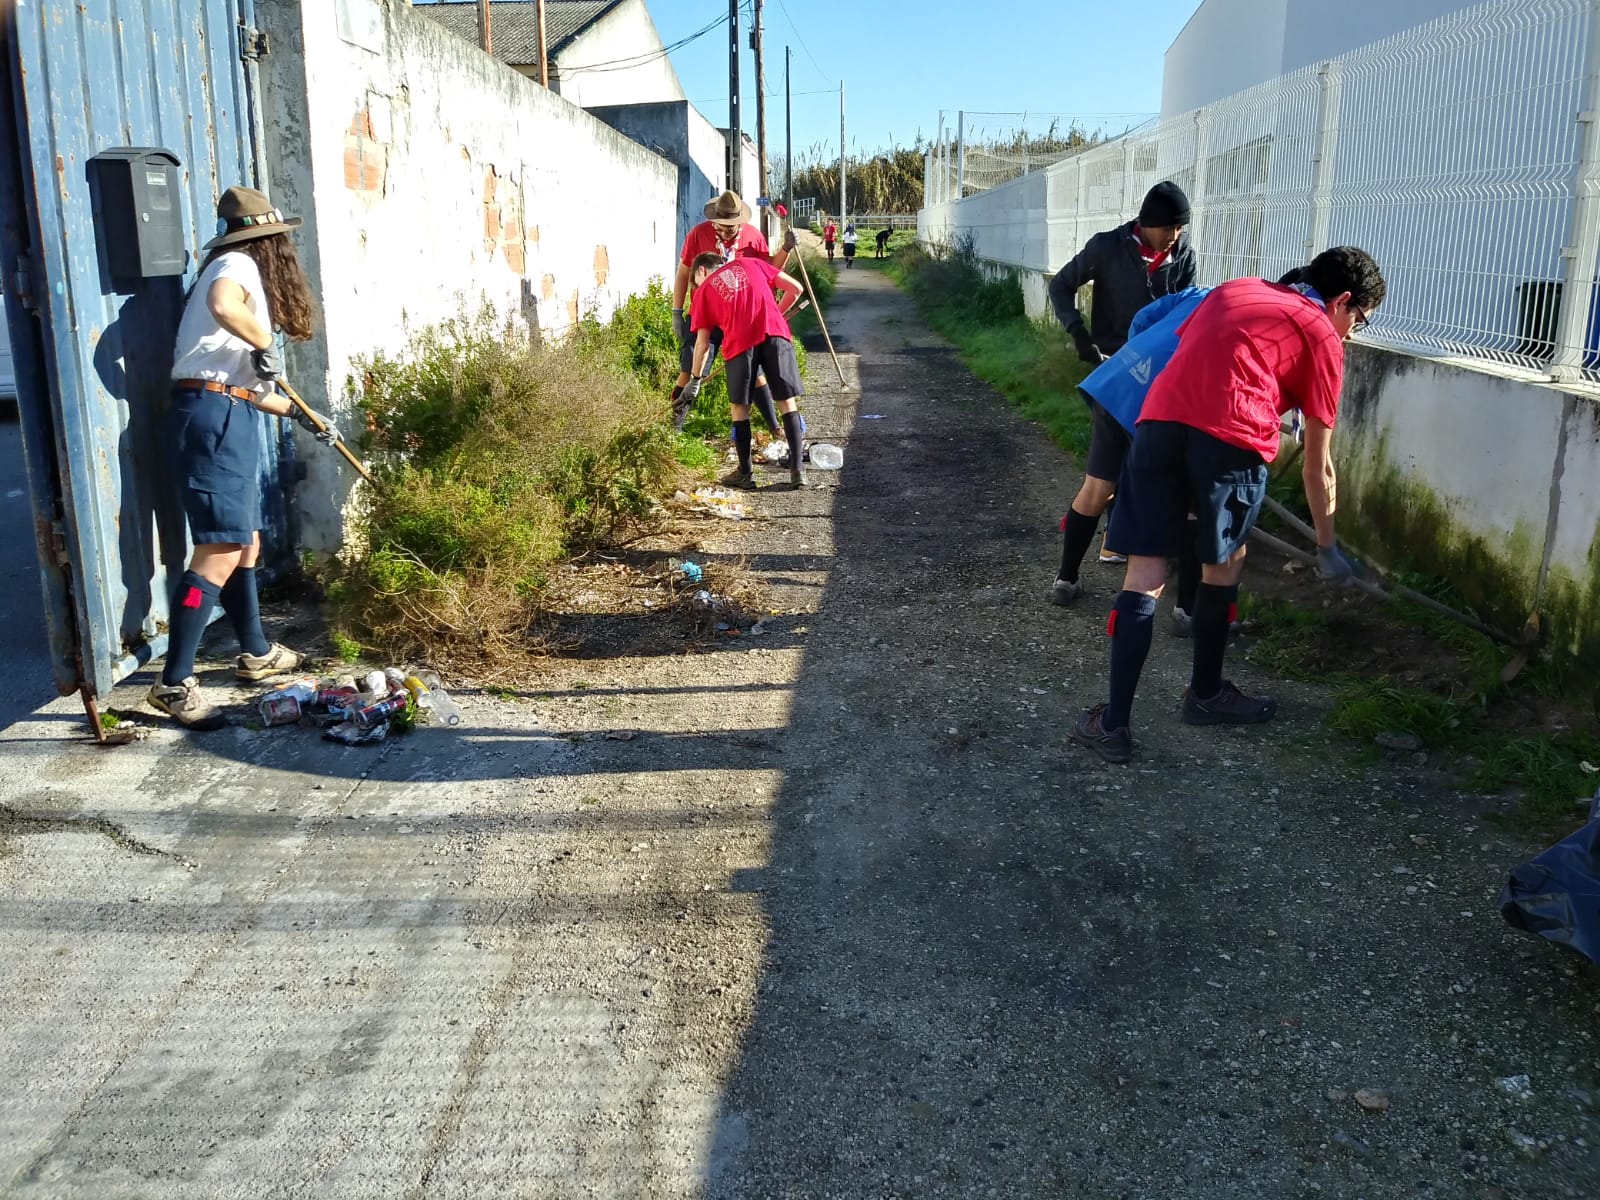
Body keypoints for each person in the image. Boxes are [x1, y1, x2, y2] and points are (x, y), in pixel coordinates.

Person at [1069, 246, 1387, 764]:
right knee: (1224, 563)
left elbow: (1187, 350)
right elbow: (1318, 465)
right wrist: (1327, 546)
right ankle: (1206, 694)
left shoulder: (1236, 289)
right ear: (1342, 301)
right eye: (1360, 319)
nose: (1353, 330)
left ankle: (1113, 724)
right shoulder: (1323, 335)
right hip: (1233, 440)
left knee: (1145, 572)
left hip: (1158, 425)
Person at [147, 186, 339, 730]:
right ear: (270, 238)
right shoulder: (238, 264)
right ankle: (173, 683)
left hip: (226, 410)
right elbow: (224, 308)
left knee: (244, 540)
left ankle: (254, 652)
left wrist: (300, 413)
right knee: (222, 545)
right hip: (209, 417)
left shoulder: (232, 264)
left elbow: (244, 387)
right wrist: (261, 338)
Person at [1048, 181, 1196, 579]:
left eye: (1181, 228)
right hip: (1113, 367)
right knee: (1106, 470)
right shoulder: (1107, 247)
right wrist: (1078, 332)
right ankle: (1077, 566)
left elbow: (1181, 315)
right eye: (1170, 228)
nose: (1175, 236)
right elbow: (1059, 285)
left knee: (1141, 461)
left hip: (1159, 377)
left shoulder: (1183, 256)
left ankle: (1118, 538)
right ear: (1148, 223)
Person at [1056, 285, 1213, 628]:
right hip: (1166, 400)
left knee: (1096, 488)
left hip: (1119, 379)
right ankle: (1186, 609)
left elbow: (1144, 317)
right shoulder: (1260, 318)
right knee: (1190, 502)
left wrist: (1142, 354)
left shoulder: (1204, 292)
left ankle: (1065, 579)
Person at [680, 251, 808, 490]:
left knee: (740, 408)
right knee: (787, 403)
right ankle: (798, 471)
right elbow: (797, 289)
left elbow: (702, 343)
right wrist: (776, 314)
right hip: (776, 334)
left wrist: (695, 379)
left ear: (701, 271)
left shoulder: (704, 290)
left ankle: (746, 474)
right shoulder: (751, 263)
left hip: (740, 343)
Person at [670, 190, 795, 432]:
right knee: (689, 370)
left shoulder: (753, 237)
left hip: (740, 319)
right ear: (714, 220)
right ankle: (674, 427)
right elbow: (684, 271)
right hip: (705, 314)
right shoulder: (698, 234)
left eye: (732, 227)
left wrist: (786, 250)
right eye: (723, 226)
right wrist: (677, 310)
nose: (728, 232)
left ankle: (774, 427)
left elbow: (768, 271)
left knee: (756, 373)